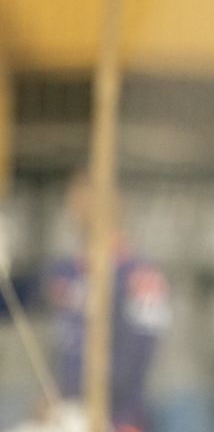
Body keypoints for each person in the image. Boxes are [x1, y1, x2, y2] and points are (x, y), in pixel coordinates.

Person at [0, 171, 171, 432]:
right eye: (75, 199)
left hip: (117, 419)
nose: (77, 207)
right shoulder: (63, 271)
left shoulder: (140, 276)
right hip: (64, 412)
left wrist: (74, 400)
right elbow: (13, 300)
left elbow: (135, 359)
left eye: (87, 197)